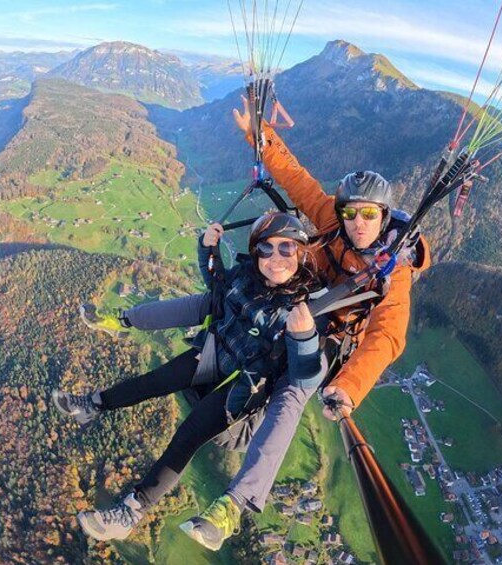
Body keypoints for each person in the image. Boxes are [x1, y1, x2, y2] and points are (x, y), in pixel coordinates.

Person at [179, 98, 431, 551]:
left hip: (329, 333)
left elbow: (388, 335)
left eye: (369, 214)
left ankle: (236, 503)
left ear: (385, 215)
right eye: (351, 211)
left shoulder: (395, 271)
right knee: (231, 310)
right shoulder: (331, 221)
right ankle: (205, 384)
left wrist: (349, 388)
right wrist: (260, 137)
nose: (357, 222)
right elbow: (297, 180)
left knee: (294, 387)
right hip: (297, 297)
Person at [52, 213, 327, 542]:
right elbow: (215, 286)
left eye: (287, 249)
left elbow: (303, 380)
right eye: (266, 249)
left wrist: (306, 337)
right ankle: (92, 405)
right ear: (255, 254)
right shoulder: (246, 277)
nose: (275, 258)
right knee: (156, 380)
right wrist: (206, 250)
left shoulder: (306, 308)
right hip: (217, 355)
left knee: (189, 433)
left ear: (302, 253)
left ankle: (129, 512)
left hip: (245, 388)